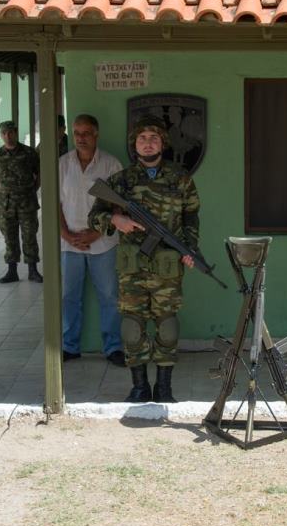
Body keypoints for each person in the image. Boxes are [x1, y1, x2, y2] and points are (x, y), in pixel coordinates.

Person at [88, 115, 200, 403]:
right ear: (134, 144)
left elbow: (191, 217)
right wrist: (116, 220)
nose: (148, 143)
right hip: (133, 269)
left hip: (167, 268)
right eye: (142, 139)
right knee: (132, 328)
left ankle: (164, 388)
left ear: (163, 143)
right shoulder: (120, 181)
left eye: (153, 138)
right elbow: (95, 216)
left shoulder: (180, 178)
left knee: (168, 327)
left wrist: (190, 250)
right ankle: (139, 387)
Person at [59, 114, 124, 366]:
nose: (81, 138)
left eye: (86, 133)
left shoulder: (110, 164)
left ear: (96, 134)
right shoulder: (63, 164)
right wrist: (67, 236)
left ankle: (113, 347)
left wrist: (95, 233)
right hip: (70, 243)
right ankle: (70, 346)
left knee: (109, 296)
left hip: (103, 242)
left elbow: (119, 207)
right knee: (69, 297)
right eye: (77, 133)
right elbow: (53, 204)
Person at [0, 120, 42, 283]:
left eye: (10, 133)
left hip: (27, 204)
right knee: (9, 238)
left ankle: (33, 270)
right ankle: (12, 271)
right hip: (6, 205)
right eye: (4, 133)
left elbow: (39, 174)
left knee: (29, 237)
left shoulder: (29, 152)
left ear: (16, 133)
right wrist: (5, 191)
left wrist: (31, 190)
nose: (7, 136)